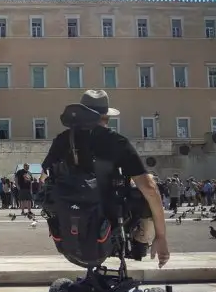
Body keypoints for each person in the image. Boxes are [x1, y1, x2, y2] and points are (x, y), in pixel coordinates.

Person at [41, 90, 170, 269]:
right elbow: (149, 187)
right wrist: (161, 236)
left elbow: (44, 178)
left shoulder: (62, 140)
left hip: (66, 231)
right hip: (108, 224)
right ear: (106, 117)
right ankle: (141, 245)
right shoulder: (116, 141)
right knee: (151, 191)